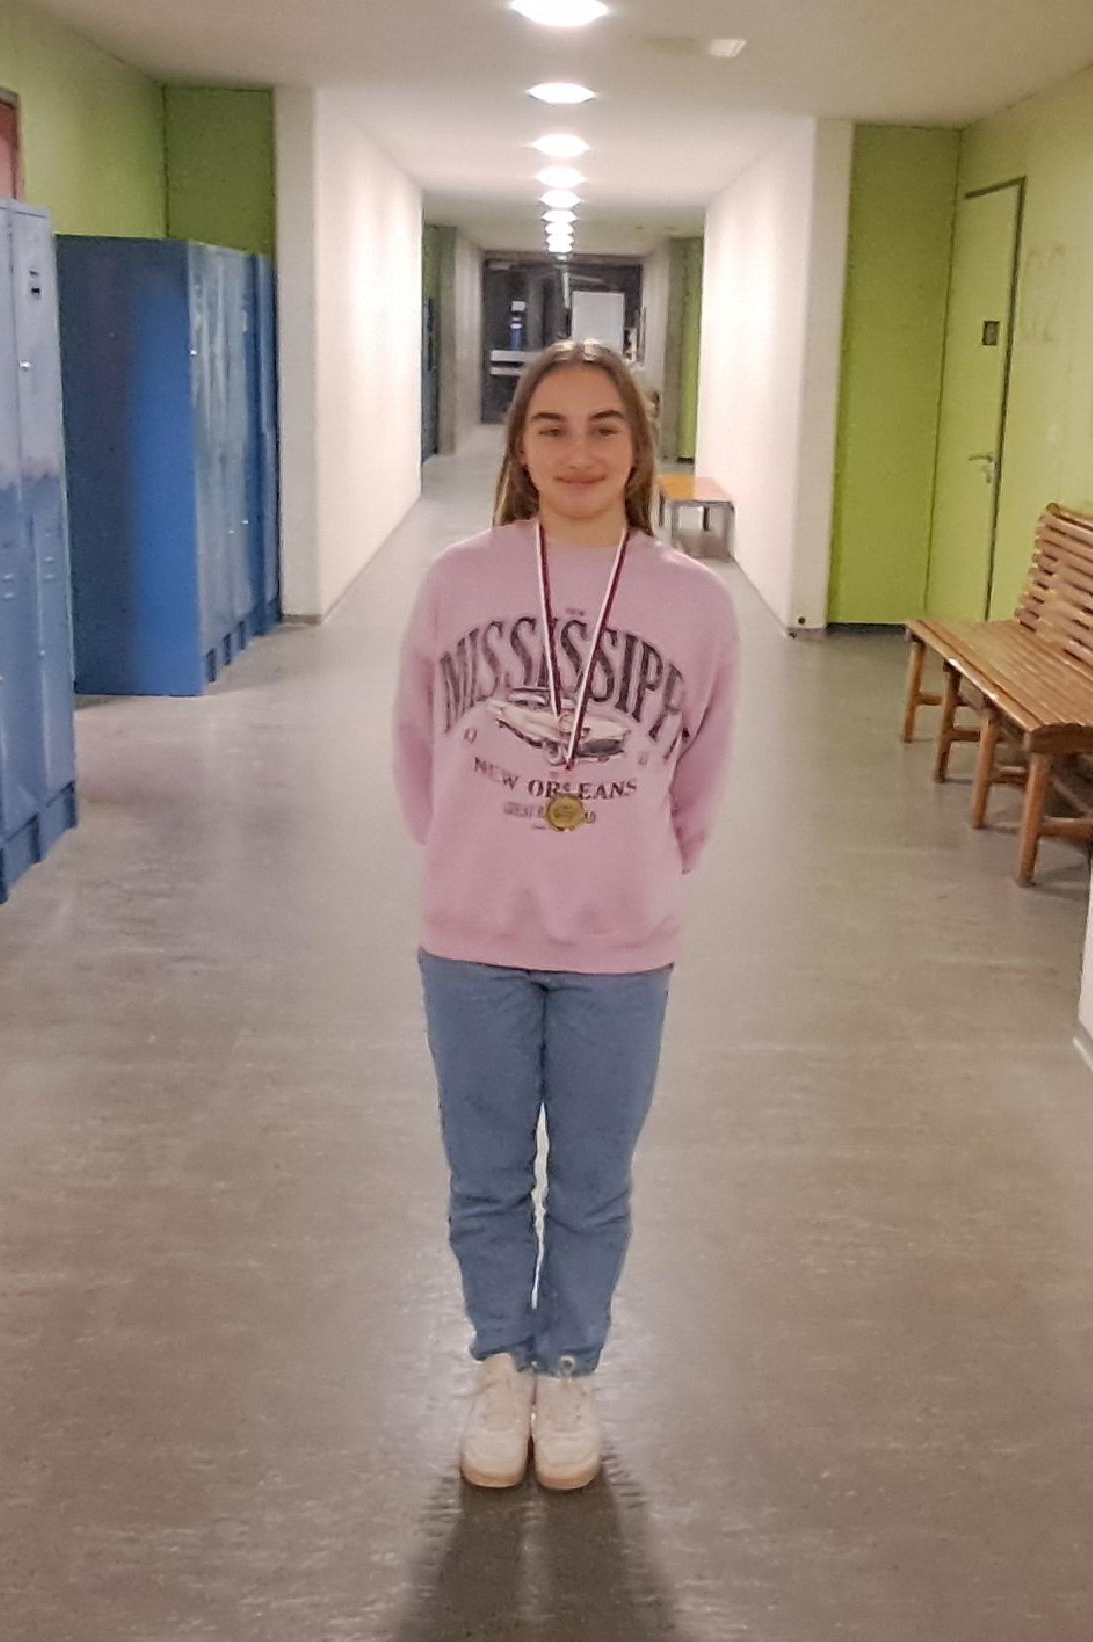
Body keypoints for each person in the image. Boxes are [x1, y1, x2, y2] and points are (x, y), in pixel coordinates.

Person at [391, 340, 740, 1491]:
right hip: (473, 933)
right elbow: (415, 742)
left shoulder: (695, 602)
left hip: (618, 944)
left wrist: (628, 869)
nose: (579, 452)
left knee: (593, 1180)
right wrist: (472, 850)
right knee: (485, 1174)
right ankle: (502, 1363)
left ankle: (570, 1368)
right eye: (552, 428)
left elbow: (699, 779)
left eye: (604, 427)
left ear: (638, 447)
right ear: (520, 448)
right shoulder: (459, 580)